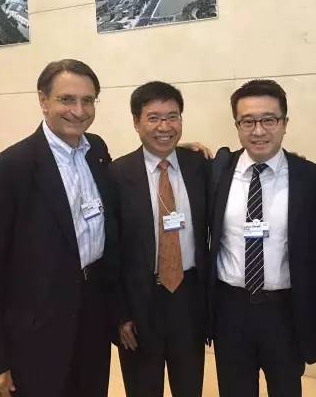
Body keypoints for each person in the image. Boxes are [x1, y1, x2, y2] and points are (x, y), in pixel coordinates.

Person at [0, 59, 116, 397]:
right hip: (35, 332)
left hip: (92, 319)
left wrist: (172, 154)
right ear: (43, 101)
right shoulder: (7, 169)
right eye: (66, 99)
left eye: (88, 100)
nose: (78, 111)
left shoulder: (97, 151)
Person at [208, 79, 316, 397]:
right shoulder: (217, 172)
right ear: (237, 126)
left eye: (269, 120)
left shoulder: (310, 177)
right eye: (248, 121)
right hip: (230, 310)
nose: (258, 131)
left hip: (285, 312)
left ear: (285, 123)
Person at [109, 81, 208, 397]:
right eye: (153, 118)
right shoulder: (115, 175)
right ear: (136, 122)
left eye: (172, 117)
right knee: (142, 388)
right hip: (140, 301)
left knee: (189, 386)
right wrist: (120, 313)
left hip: (189, 298)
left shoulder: (200, 165)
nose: (164, 127)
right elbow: (111, 252)